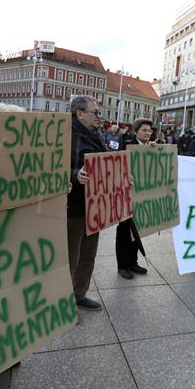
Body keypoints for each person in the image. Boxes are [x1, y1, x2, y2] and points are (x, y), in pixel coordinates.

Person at [68, 95, 106, 311]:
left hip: (95, 203)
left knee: (88, 254)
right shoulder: (64, 134)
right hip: (73, 204)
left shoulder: (95, 134)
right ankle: (63, 300)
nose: (98, 116)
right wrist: (74, 174)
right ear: (80, 113)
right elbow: (51, 164)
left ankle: (79, 294)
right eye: (95, 112)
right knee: (71, 256)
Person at [115, 118, 153, 279]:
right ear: (136, 131)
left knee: (137, 229)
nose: (148, 133)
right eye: (144, 130)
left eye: (150, 130)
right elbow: (118, 165)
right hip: (126, 194)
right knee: (124, 229)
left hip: (142, 195)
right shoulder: (127, 145)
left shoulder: (151, 147)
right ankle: (122, 265)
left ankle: (133, 262)